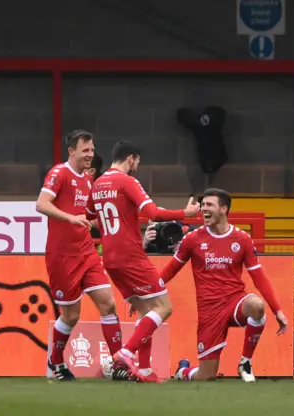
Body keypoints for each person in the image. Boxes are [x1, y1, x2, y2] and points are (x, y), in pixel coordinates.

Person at [87, 140, 200, 382]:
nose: (137, 166)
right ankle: (126, 353)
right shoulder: (127, 181)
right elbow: (154, 213)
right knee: (164, 307)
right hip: (131, 255)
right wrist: (186, 213)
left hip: (110, 258)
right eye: (137, 161)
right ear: (131, 158)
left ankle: (146, 370)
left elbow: (91, 218)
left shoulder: (97, 185)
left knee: (146, 309)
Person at [155, 188, 289, 382]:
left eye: (209, 205)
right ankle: (183, 371)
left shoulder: (242, 239)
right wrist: (147, 293)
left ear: (224, 209)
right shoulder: (192, 239)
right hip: (209, 311)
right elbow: (170, 270)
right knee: (206, 376)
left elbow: (259, 276)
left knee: (257, 306)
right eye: (203, 205)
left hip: (235, 301)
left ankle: (245, 362)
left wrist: (278, 310)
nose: (203, 209)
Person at [36, 130, 123, 381]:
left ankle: (119, 363)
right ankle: (55, 362)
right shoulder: (59, 173)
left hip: (86, 252)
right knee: (72, 315)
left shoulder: (87, 180)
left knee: (108, 303)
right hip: (62, 256)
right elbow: (41, 204)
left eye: (92, 150)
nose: (90, 155)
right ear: (71, 151)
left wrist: (109, 225)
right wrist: (71, 218)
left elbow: (88, 218)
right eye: (85, 150)